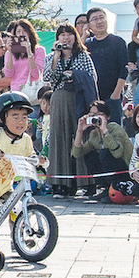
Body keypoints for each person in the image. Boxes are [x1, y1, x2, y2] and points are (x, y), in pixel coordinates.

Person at [42, 24, 98, 196]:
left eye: (69, 34)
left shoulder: (83, 56)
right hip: (59, 97)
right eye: (62, 35)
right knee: (59, 138)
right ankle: (61, 182)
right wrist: (56, 57)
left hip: (79, 97)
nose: (66, 38)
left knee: (82, 136)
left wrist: (75, 74)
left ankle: (87, 181)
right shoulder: (51, 56)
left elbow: (92, 77)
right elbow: (46, 77)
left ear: (75, 36)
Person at [71, 100, 133, 197]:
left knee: (105, 154)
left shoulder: (114, 128)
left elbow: (118, 153)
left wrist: (104, 131)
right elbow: (77, 153)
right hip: (110, 171)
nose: (95, 118)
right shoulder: (94, 134)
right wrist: (80, 131)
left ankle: (115, 187)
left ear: (107, 116)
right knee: (90, 155)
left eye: (99, 114)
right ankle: (105, 187)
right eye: (92, 115)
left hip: (125, 170)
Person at [84, 8, 128, 123]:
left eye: (101, 17)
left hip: (113, 96)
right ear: (89, 25)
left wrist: (116, 93)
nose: (99, 22)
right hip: (92, 97)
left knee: (114, 131)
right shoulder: (87, 44)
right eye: (94, 19)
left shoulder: (118, 42)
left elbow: (124, 69)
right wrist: (84, 36)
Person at [3, 19, 46, 101]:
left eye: (24, 31)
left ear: (30, 33)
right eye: (18, 31)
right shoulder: (9, 53)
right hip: (16, 92)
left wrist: (29, 52)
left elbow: (36, 74)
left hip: (33, 91)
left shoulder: (39, 50)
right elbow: (8, 74)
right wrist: (10, 52)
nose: (21, 34)